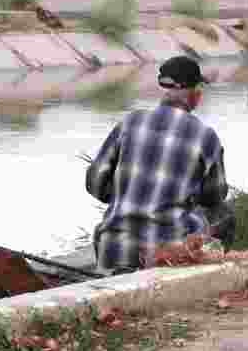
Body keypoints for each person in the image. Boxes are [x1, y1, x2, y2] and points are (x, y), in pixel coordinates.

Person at [85, 55, 236, 274]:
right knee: (225, 214)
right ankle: (205, 274)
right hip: (168, 256)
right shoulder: (205, 137)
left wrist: (128, 195)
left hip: (113, 248)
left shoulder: (130, 122)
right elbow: (214, 196)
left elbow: (95, 184)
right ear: (194, 94)